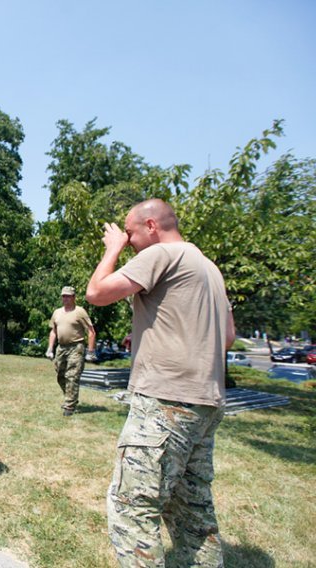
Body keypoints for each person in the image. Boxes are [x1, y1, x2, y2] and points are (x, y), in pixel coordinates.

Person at [85, 199, 235, 567]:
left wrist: (113, 249)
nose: (130, 241)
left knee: (132, 509)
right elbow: (227, 336)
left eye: (132, 233)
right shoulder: (208, 267)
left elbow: (97, 293)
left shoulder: (162, 254)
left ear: (151, 225)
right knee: (192, 514)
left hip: (167, 404)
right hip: (206, 401)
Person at [45, 286, 97, 416]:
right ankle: (71, 396)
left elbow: (91, 331)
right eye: (64, 296)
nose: (66, 298)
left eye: (68, 296)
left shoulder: (80, 312)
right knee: (60, 376)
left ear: (74, 297)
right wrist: (50, 348)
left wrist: (90, 352)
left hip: (76, 347)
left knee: (72, 376)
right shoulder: (57, 312)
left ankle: (69, 406)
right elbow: (53, 331)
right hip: (61, 348)